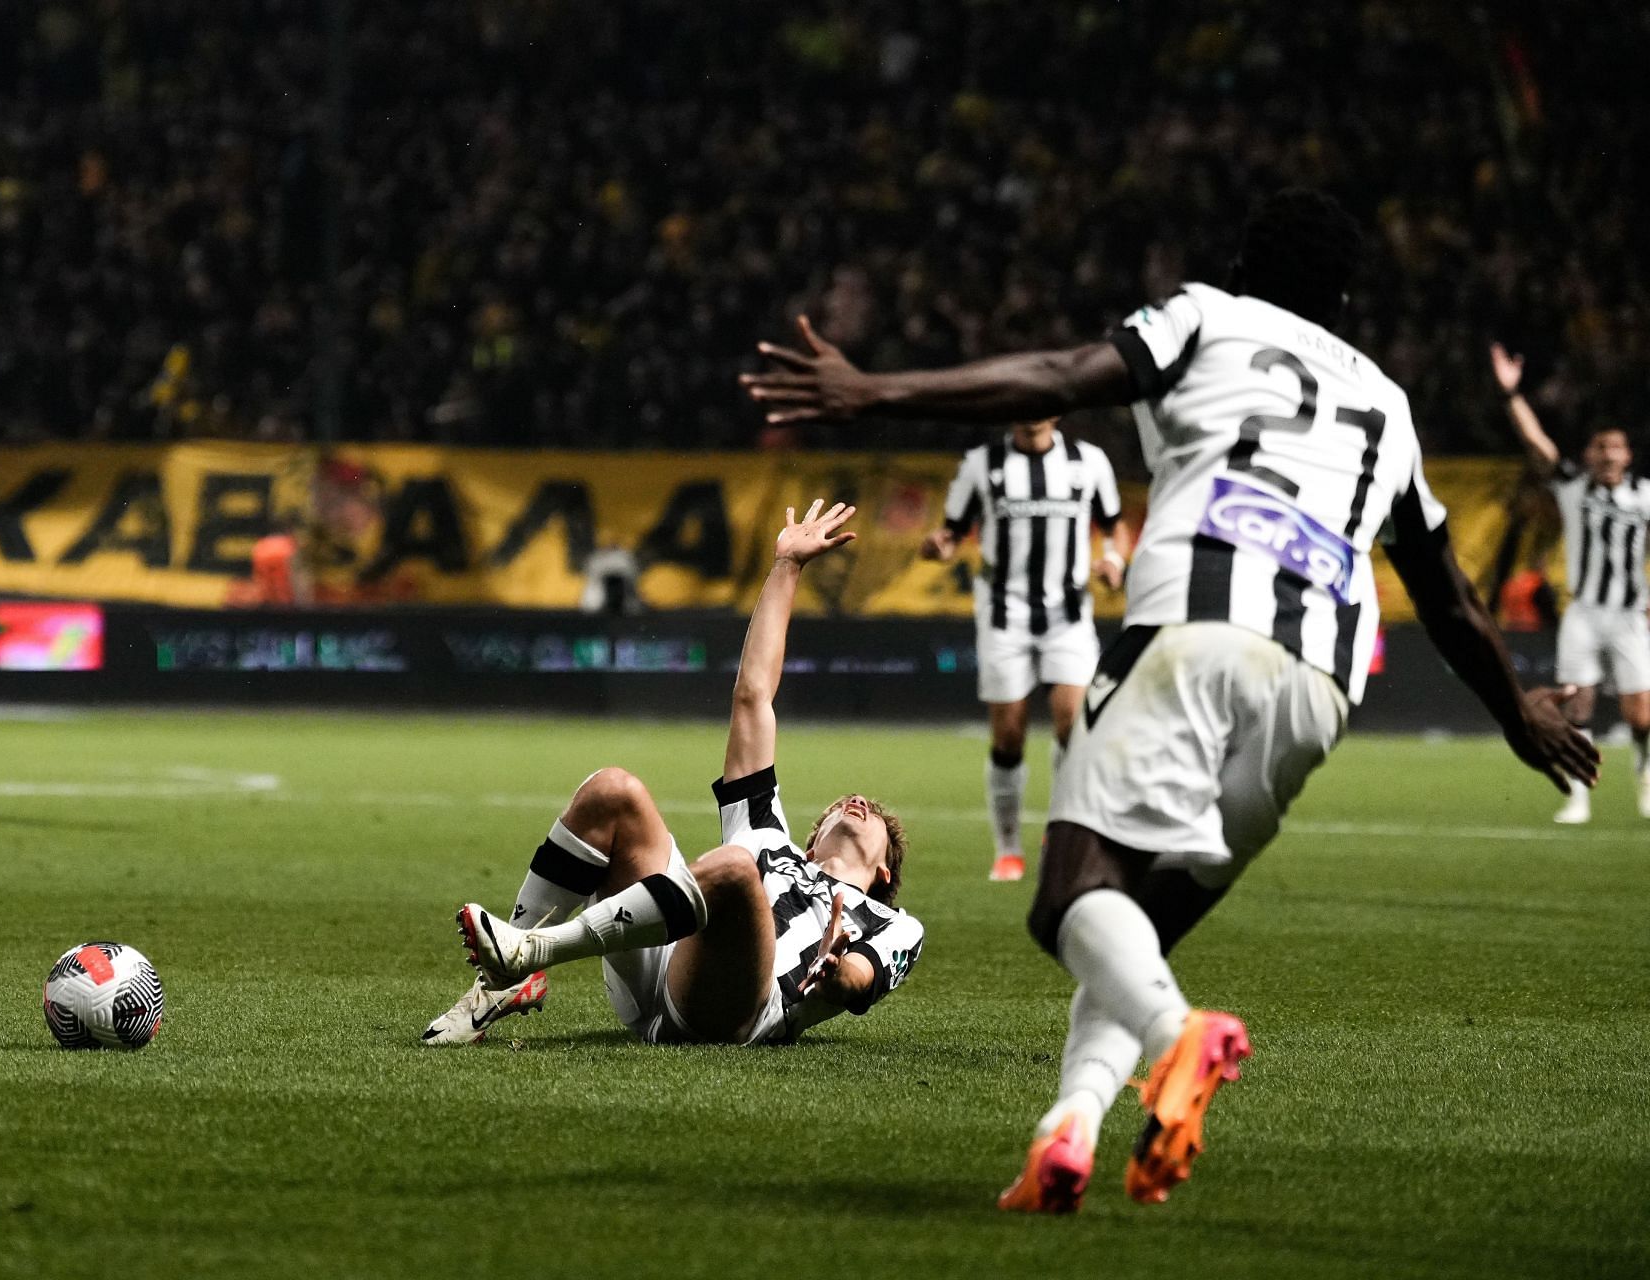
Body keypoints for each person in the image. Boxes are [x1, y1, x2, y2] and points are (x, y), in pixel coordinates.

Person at [742, 190, 1597, 1211]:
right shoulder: (1391, 407)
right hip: (1321, 689)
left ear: (1243, 263)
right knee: (1129, 929)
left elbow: (1064, 376)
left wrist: (872, 391)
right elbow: (1450, 595)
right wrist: (1518, 715)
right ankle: (1065, 1139)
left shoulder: (1207, 317)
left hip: (1192, 638)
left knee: (1071, 900)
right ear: (1345, 293)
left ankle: (1176, 1039)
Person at [425, 500, 924, 1047]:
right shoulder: (767, 835)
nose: (856, 803)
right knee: (613, 789)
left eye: (872, 811)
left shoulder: (890, 923)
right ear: (810, 843)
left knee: (736, 870)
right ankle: (503, 978)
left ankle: (533, 951)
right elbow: (753, 698)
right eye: (842, 804)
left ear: (884, 872)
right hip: (661, 965)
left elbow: (863, 980)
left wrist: (838, 972)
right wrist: (787, 567)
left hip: (732, 1011)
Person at [926, 416, 1129, 880]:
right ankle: (1009, 848)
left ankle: (1060, 835)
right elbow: (952, 531)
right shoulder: (983, 464)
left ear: (1057, 410)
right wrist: (941, 546)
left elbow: (1115, 526)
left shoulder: (1088, 461)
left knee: (1072, 727)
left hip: (1069, 614)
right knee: (1009, 735)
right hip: (1004, 614)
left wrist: (1113, 559)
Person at [1489, 343, 1650, 821]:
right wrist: (1511, 395)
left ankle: (1644, 781)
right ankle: (1579, 795)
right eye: (1599, 447)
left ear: (1627, 455)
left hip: (1629, 614)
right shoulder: (1573, 487)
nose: (1607, 454)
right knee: (1576, 706)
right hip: (1583, 612)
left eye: (1615, 447)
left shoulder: (1644, 497)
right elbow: (1538, 444)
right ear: (1588, 453)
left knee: (1641, 715)